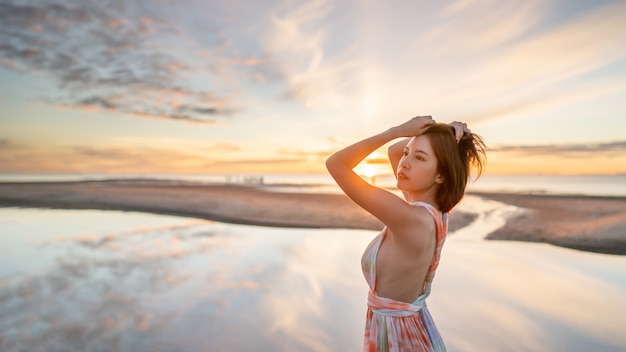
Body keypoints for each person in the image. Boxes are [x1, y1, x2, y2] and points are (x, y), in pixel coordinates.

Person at [326, 116, 486, 352]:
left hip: (399, 339)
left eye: (420, 158)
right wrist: (443, 134)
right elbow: (394, 152)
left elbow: (336, 164)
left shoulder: (411, 220)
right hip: (407, 330)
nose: (405, 163)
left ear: (440, 176)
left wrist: (394, 131)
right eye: (407, 153)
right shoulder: (432, 212)